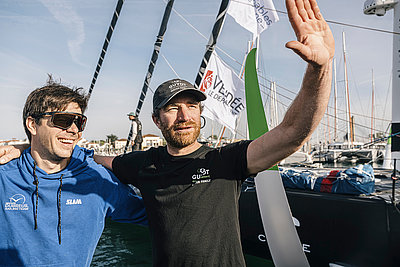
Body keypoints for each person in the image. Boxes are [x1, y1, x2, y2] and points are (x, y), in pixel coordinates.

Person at [1, 0, 334, 266]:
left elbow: (292, 133)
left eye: (193, 105)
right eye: (174, 108)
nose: (185, 115)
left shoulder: (227, 160)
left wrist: (320, 68)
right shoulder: (139, 165)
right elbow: (85, 155)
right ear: (157, 120)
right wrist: (22, 149)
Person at [0, 80, 147, 266]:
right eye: (62, 120)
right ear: (32, 124)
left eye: (79, 121)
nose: (74, 130)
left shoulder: (97, 179)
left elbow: (164, 216)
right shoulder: (5, 177)